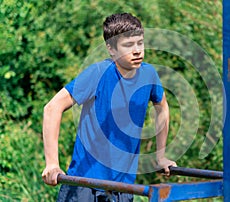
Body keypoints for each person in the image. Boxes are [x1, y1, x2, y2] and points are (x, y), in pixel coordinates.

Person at [42, 13, 177, 201]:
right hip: (84, 185)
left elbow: (162, 106)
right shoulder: (98, 73)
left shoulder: (149, 74)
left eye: (140, 43)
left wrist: (160, 155)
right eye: (129, 45)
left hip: (123, 187)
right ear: (111, 49)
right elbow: (52, 107)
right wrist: (52, 164)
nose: (137, 50)